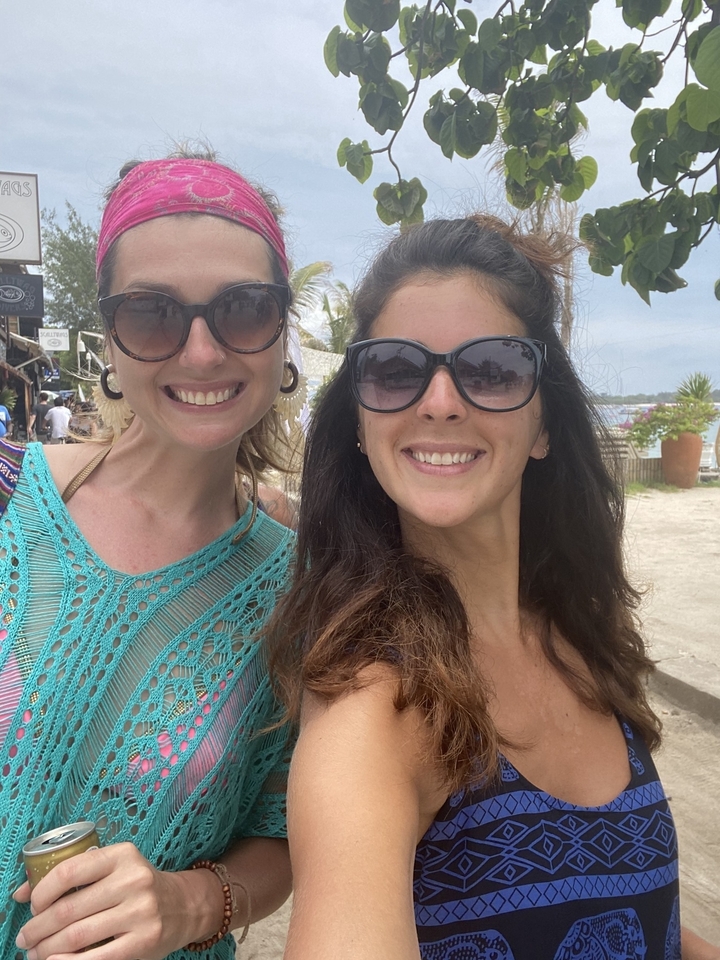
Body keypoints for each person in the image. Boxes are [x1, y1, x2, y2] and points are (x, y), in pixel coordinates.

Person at [269, 216, 719, 959]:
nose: (441, 400)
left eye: (492, 368)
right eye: (394, 369)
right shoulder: (375, 714)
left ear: (544, 423)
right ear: (358, 420)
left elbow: (647, 921)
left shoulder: (580, 637)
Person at [1, 153, 303, 960]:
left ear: (283, 330)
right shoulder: (8, 499)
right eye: (152, 313)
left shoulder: (305, 590)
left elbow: (279, 841)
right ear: (110, 335)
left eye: (242, 307)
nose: (200, 353)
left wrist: (187, 903)